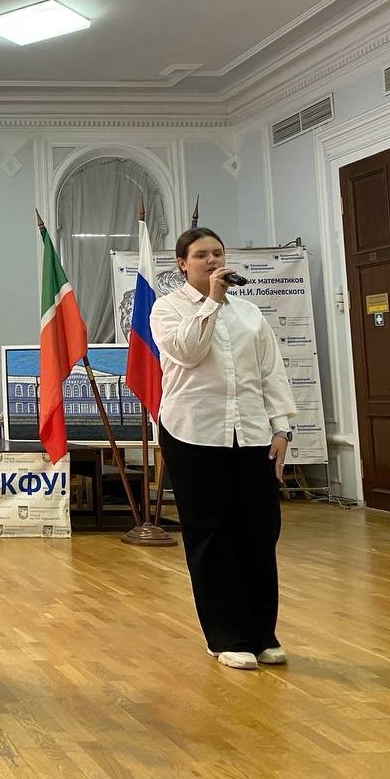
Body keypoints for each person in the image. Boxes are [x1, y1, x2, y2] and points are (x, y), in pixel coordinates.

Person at [151, 227, 296, 671]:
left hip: (250, 432)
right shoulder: (166, 309)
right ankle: (226, 636)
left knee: (259, 531)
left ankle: (262, 634)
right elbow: (188, 351)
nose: (212, 261)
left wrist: (281, 428)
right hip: (194, 433)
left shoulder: (249, 313)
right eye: (201, 255)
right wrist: (212, 301)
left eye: (217, 253)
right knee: (211, 536)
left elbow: (270, 371)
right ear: (182, 264)